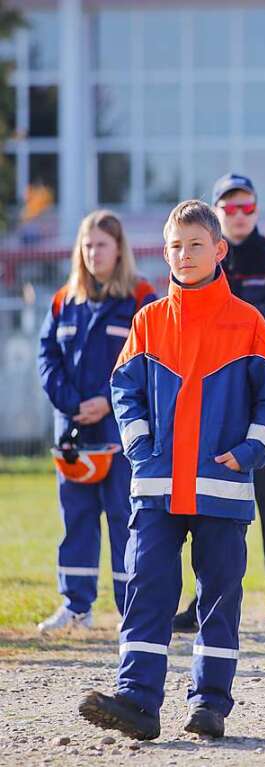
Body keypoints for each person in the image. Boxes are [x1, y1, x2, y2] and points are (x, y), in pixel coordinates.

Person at [78, 200, 265, 741]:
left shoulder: (248, 322)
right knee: (148, 586)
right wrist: (138, 444)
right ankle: (138, 700)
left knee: (219, 595)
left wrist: (249, 452)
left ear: (219, 250)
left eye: (196, 245)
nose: (185, 254)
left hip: (221, 487)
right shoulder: (148, 320)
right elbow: (124, 391)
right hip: (155, 485)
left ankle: (210, 703)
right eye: (175, 246)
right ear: (164, 252)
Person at [171, 174, 265, 634]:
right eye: (229, 209)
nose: (238, 215)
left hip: (262, 386)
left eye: (246, 206)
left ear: (257, 208)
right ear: (216, 213)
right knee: (203, 502)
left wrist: (230, 322)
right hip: (214, 393)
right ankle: (200, 602)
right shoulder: (199, 257)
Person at [36, 210, 156, 633]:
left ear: (119, 249)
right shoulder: (62, 300)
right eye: (87, 245)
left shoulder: (141, 297)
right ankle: (76, 607)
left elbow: (146, 361)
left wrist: (106, 401)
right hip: (73, 432)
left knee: (126, 517)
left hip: (120, 431)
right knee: (77, 519)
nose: (93, 252)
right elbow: (46, 358)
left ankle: (132, 613)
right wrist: (72, 403)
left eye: (101, 244)